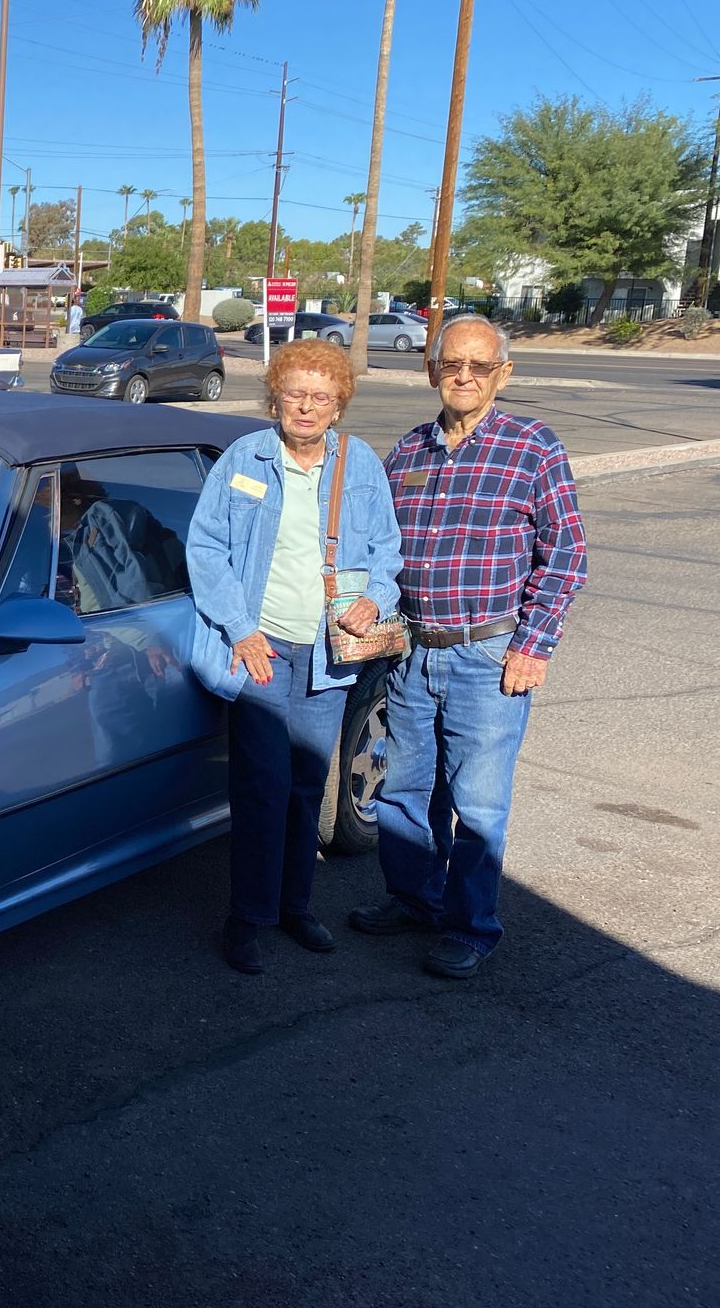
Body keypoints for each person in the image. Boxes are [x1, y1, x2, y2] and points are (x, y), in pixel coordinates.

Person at [351, 314, 587, 979]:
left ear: (501, 374)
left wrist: (533, 644)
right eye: (452, 364)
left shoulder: (531, 446)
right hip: (413, 652)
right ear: (432, 370)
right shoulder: (408, 452)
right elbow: (381, 550)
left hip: (489, 655)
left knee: (477, 802)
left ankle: (471, 927)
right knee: (403, 791)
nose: (463, 376)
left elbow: (565, 554)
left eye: (479, 367)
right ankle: (415, 900)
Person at [186, 341, 402, 975]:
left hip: (328, 653)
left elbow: (387, 550)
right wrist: (239, 629)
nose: (305, 407)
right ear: (274, 397)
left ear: (338, 407)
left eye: (320, 397)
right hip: (263, 648)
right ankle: (248, 917)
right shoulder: (245, 458)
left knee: (309, 781)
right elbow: (206, 548)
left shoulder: (359, 464)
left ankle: (295, 906)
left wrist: (377, 599)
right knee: (262, 784)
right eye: (294, 394)